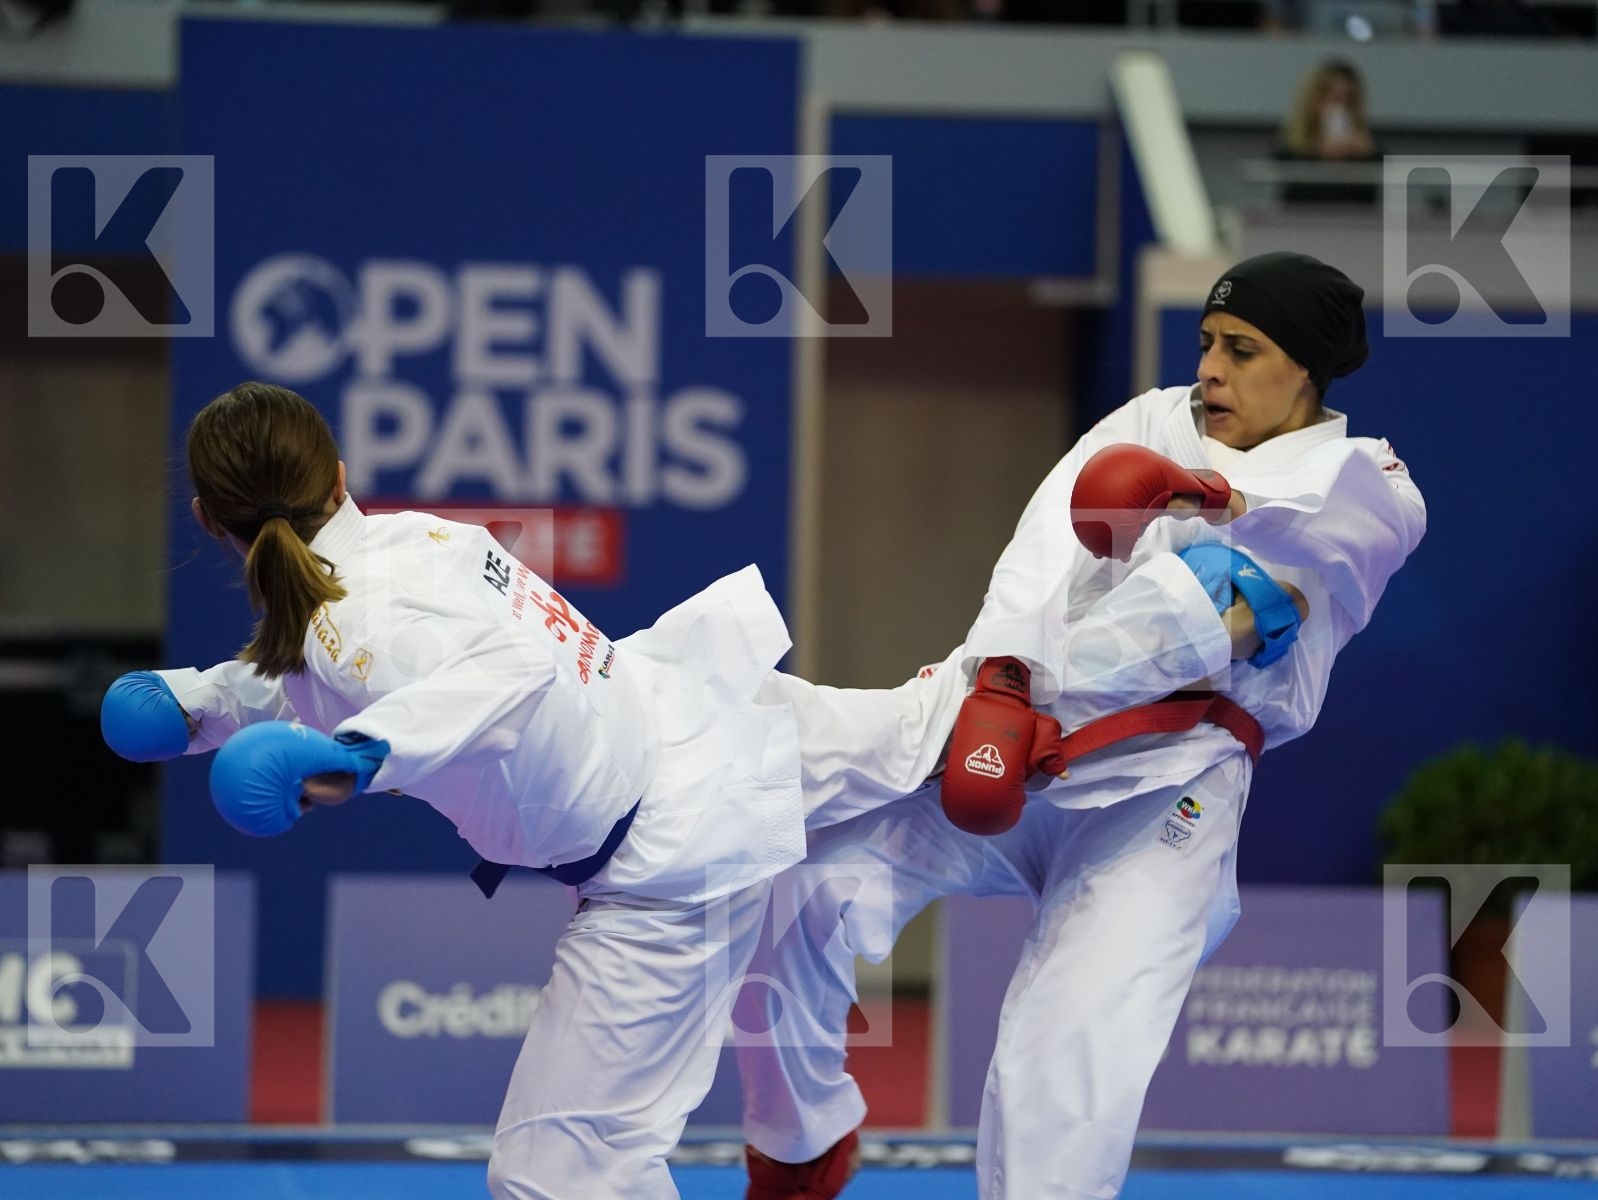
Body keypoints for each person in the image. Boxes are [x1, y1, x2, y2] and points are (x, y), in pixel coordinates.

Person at [102, 381, 984, 1200]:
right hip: (712, 715)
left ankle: (807, 1138)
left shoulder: (348, 624)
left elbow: (505, 670)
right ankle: (1045, 676)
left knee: (554, 1177)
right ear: (339, 476)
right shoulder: (406, 542)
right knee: (948, 724)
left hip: (667, 861)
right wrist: (195, 702)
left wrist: (364, 755)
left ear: (204, 517)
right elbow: (310, 662)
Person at [735, 251, 1426, 1200]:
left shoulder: (1368, 480)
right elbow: (1039, 552)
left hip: (1167, 796)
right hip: (1029, 743)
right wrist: (1005, 681)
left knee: (1064, 1066)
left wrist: (1215, 499)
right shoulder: (1151, 417)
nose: (1211, 368)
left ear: (1305, 368)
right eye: (1207, 342)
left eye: (1243, 348)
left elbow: (1264, 581)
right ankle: (803, 1134)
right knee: (805, 890)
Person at [1275, 59, 1380, 206]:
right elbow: (1280, 170)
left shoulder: (1367, 143)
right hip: (1301, 222)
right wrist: (1317, 151)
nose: (1340, 106)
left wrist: (1366, 155)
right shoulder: (1291, 143)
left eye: (1348, 99)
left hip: (1355, 223)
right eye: (1334, 98)